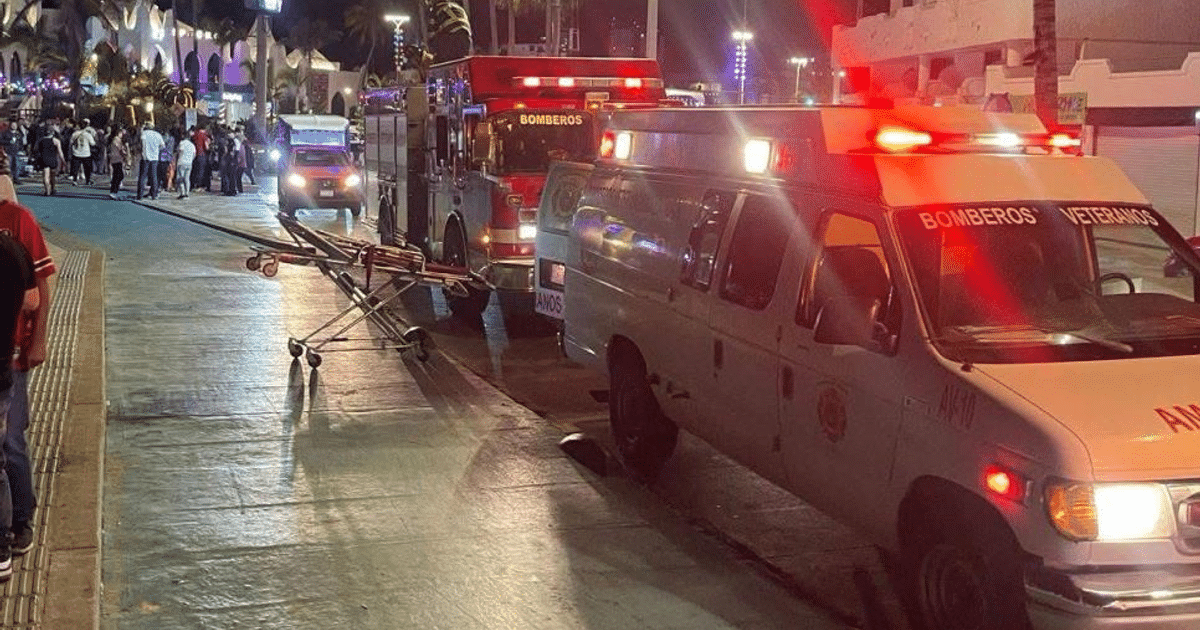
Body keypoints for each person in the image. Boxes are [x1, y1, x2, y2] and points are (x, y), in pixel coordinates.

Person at [0, 152, 55, 564]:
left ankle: (22, 518)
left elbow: (41, 286)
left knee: (11, 440)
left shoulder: (19, 220)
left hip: (14, 351)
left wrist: (39, 341)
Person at [137, 122, 164, 200]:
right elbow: (162, 145)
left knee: (142, 176)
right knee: (153, 176)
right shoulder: (157, 135)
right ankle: (154, 195)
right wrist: (157, 150)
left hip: (145, 157)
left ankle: (140, 195)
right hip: (154, 158)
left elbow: (140, 143)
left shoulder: (144, 134)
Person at [35, 124, 63, 196]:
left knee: (45, 176)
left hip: (44, 159)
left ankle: (47, 190)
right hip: (53, 159)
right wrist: (63, 160)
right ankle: (53, 189)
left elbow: (35, 149)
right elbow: (60, 152)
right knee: (52, 175)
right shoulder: (56, 141)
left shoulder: (40, 140)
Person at [69, 120, 96, 186]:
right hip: (86, 153)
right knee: (87, 168)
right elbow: (92, 143)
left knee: (76, 167)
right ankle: (88, 180)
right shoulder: (88, 134)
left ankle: (75, 180)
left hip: (76, 152)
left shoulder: (75, 134)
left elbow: (71, 143)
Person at [175, 129, 195, 199]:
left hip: (181, 162)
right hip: (189, 163)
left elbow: (179, 151)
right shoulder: (192, 145)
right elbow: (194, 154)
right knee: (187, 178)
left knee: (180, 178)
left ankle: (182, 193)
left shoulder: (182, 143)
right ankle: (187, 193)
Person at [108, 127, 127, 199]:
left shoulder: (115, 139)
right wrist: (125, 153)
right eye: (121, 133)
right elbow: (120, 148)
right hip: (116, 159)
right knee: (118, 175)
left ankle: (114, 190)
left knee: (118, 175)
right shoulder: (117, 139)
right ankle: (114, 191)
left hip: (116, 159)